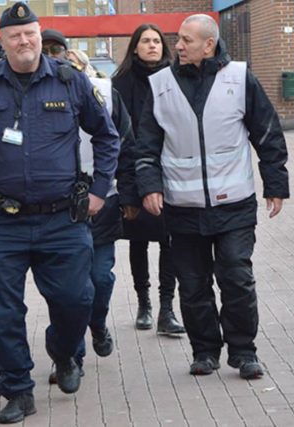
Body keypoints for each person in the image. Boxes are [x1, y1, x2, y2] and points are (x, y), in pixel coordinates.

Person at [0, 3, 121, 423]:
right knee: (3, 313)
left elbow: (107, 137)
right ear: (1, 42)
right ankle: (16, 389)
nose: (25, 41)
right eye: (15, 35)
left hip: (62, 219)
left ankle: (64, 352)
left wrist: (99, 190)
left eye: (31, 33)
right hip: (1, 221)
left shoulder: (70, 81)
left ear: (40, 35)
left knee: (76, 300)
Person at [135, 14, 289, 379]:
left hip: (234, 204)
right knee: (192, 285)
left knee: (236, 278)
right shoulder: (161, 84)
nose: (178, 45)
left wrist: (275, 184)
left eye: (186, 40)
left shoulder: (240, 78)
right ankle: (204, 351)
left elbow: (267, 132)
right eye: (178, 38)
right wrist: (149, 185)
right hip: (183, 207)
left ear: (209, 44)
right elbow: (146, 144)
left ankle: (243, 351)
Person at [47, 49, 138, 384]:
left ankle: (97, 323)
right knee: (68, 288)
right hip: (58, 207)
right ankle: (71, 356)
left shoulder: (105, 94)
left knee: (100, 278)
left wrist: (128, 194)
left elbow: (124, 144)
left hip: (101, 202)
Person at [112, 24, 186, 334]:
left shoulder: (175, 79)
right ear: (135, 47)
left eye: (157, 41)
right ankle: (144, 304)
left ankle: (167, 308)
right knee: (139, 240)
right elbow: (117, 138)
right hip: (132, 172)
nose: (152, 45)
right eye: (146, 41)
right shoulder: (120, 84)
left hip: (170, 172)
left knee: (170, 241)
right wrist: (128, 190)